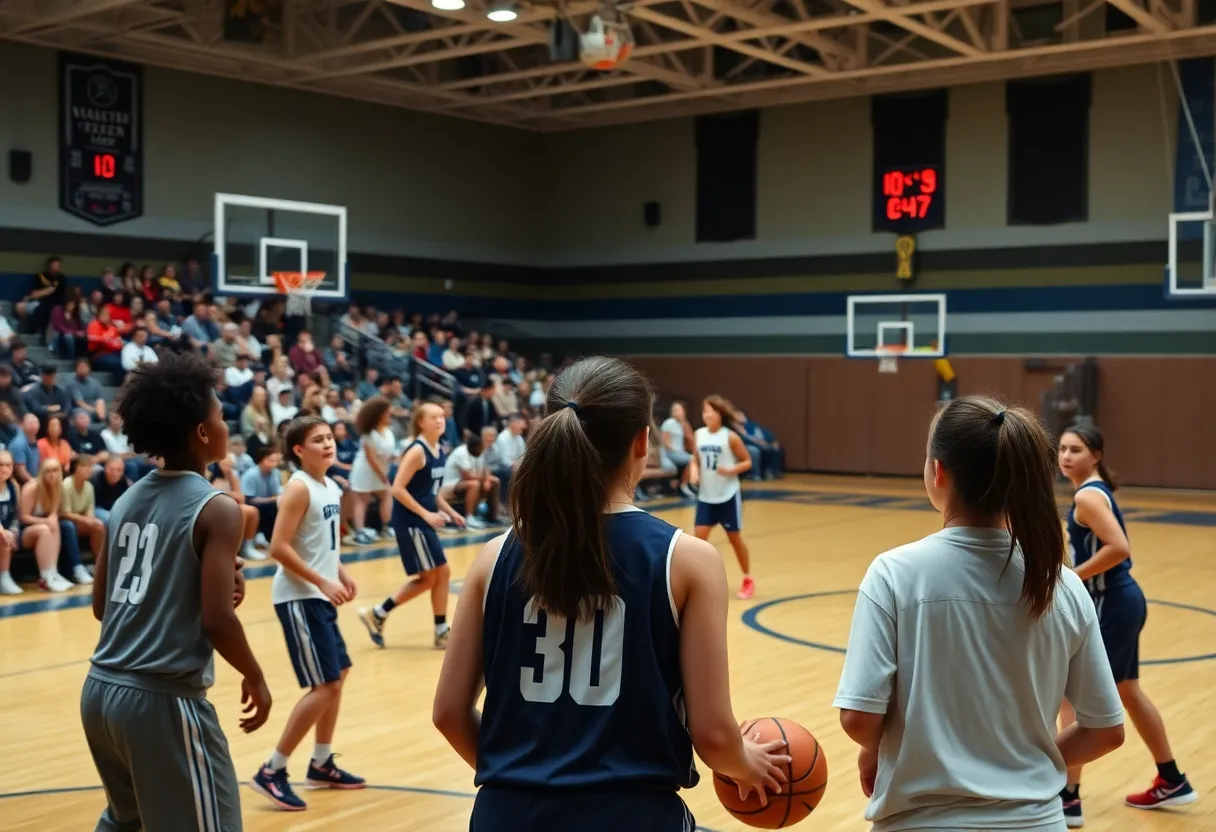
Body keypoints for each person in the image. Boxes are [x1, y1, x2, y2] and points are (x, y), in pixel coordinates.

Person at [432, 356, 791, 832]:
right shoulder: (688, 560)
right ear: (643, 439)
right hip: (630, 813)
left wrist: (526, 779)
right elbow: (712, 735)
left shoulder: (492, 557)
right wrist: (748, 765)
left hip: (507, 812)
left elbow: (449, 713)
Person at [833, 397, 1126, 832]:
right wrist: (1016, 764)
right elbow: (1106, 731)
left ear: (938, 472)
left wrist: (890, 746)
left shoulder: (894, 574)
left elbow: (860, 718)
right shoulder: (1062, 583)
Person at [80, 350, 272, 832]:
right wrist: (254, 675)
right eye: (221, 417)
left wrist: (182, 581)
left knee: (129, 822)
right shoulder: (218, 507)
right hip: (162, 700)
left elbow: (104, 605)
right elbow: (217, 619)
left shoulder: (126, 499)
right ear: (203, 434)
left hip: (100, 692)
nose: (227, 425)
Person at [1057, 424, 1196, 823]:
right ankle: (1172, 779)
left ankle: (1068, 797)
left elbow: (1119, 548)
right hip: (1123, 600)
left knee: (1070, 696)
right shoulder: (1095, 490)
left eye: (1076, 450)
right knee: (1129, 691)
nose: (1066, 456)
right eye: (1062, 449)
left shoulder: (1087, 496)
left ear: (1096, 455)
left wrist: (1072, 576)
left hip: (1111, 603)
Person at [252, 415, 364, 812]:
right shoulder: (298, 488)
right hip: (298, 597)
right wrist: (322, 581)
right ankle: (273, 769)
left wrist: (341, 573)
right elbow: (278, 547)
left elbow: (322, 545)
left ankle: (320, 763)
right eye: (318, 440)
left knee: (339, 674)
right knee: (325, 684)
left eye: (330, 437)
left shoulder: (330, 485)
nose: (328, 444)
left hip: (318, 593)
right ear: (298, 451)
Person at [359, 402, 464, 650]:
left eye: (442, 417)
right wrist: (427, 515)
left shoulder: (439, 449)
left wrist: (451, 512)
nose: (440, 421)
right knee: (430, 577)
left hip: (423, 519)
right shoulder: (416, 451)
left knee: (442, 574)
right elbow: (397, 488)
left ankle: (438, 629)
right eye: (434, 417)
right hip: (411, 521)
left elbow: (432, 492)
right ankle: (379, 613)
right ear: (421, 422)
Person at [689, 395, 754, 599]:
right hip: (706, 496)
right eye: (704, 411)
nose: (706, 415)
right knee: (698, 540)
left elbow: (747, 462)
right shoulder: (699, 434)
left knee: (734, 538)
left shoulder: (730, 437)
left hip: (727, 495)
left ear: (719, 414)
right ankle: (696, 582)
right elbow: (695, 459)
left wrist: (731, 470)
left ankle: (748, 579)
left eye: (710, 411)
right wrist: (694, 471)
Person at [348, 395, 396, 545]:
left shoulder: (388, 431)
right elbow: (371, 458)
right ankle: (360, 532)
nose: (390, 415)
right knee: (363, 500)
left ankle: (387, 527)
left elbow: (390, 454)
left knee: (387, 495)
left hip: (381, 470)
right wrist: (382, 475)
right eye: (387, 413)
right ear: (379, 414)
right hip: (365, 470)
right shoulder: (368, 435)